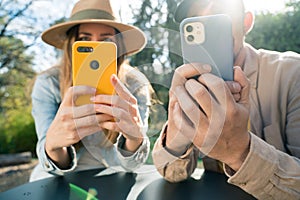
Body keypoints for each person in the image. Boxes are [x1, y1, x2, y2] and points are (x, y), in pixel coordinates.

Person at [152, 0, 300, 199]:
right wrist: (177, 133)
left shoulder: (292, 73)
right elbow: (171, 172)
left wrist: (239, 151)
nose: (206, 20)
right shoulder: (194, 86)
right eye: (196, 18)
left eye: (218, 14)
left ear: (246, 23)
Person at [30, 0, 152, 181]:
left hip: (114, 173)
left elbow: (131, 165)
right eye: (85, 39)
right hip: (60, 176)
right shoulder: (48, 83)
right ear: (72, 43)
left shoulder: (135, 85)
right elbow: (52, 166)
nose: (95, 49)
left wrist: (135, 138)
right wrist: (53, 145)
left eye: (106, 40)